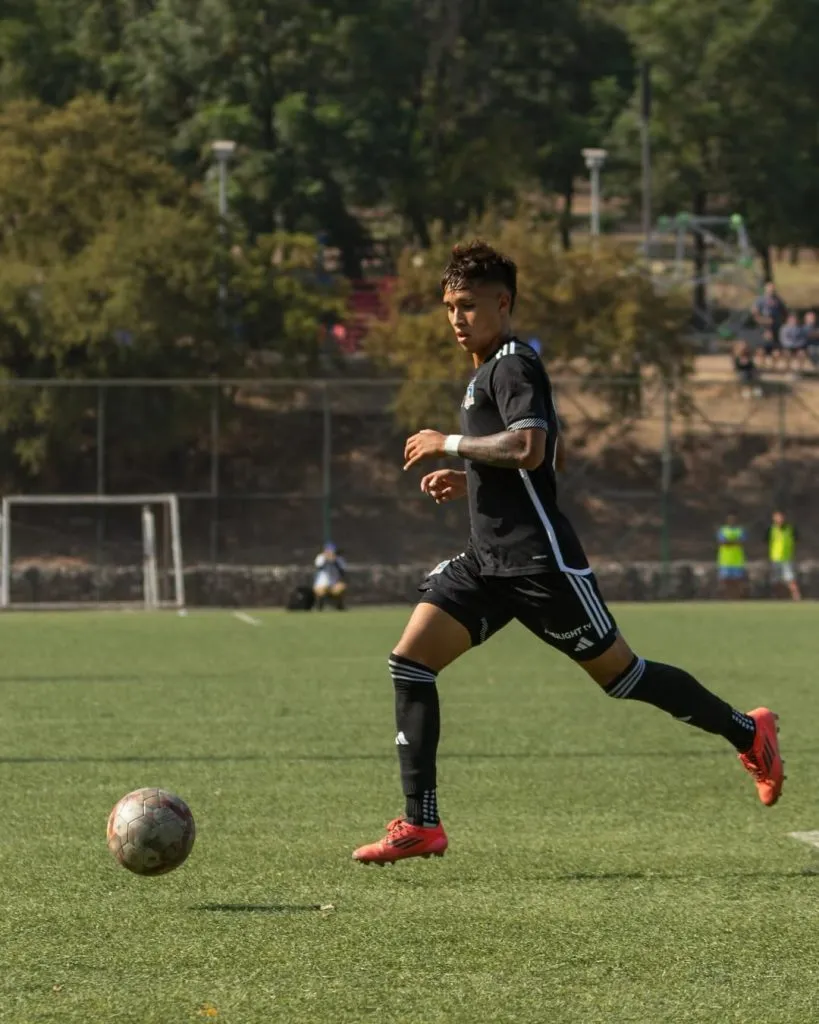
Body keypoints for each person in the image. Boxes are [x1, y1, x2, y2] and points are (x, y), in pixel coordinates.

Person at [352, 241, 784, 866]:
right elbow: (547, 456)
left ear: (504, 304)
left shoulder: (511, 365)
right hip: (487, 562)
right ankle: (422, 825)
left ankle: (749, 731)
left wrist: (448, 445)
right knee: (411, 663)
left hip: (539, 567)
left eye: (469, 305)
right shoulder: (486, 373)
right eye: (449, 306)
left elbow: (529, 448)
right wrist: (470, 476)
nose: (456, 318)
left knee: (624, 677)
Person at [766, 511, 801, 601]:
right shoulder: (771, 529)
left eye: (780, 517)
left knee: (791, 579)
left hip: (787, 558)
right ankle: (778, 598)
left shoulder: (790, 529)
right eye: (777, 517)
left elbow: (797, 541)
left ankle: (796, 597)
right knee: (775, 581)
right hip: (775, 559)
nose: (779, 519)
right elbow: (766, 542)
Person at [752, 281, 787, 370]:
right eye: (769, 288)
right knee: (761, 349)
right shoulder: (760, 300)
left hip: (775, 327)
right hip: (763, 328)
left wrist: (780, 321)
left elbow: (784, 313)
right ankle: (761, 366)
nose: (771, 290)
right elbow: (755, 313)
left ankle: (773, 367)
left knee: (776, 349)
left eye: (773, 288)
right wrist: (762, 320)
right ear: (765, 289)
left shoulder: (778, 300)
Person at [716, 514, 748, 599]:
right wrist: (735, 542)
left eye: (733, 520)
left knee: (737, 581)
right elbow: (722, 542)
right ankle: (727, 597)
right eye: (730, 520)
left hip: (737, 560)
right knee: (725, 581)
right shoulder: (722, 530)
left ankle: (737, 597)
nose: (732, 521)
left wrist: (729, 542)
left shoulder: (740, 530)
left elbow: (742, 542)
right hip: (725, 560)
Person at [313, 542, 347, 610]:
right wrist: (326, 559)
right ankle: (319, 606)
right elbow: (319, 567)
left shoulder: (339, 559)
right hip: (322, 584)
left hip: (333, 585)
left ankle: (340, 606)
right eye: (328, 551)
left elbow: (342, 572)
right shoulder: (320, 557)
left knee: (342, 587)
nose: (330, 553)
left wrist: (334, 561)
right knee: (320, 590)